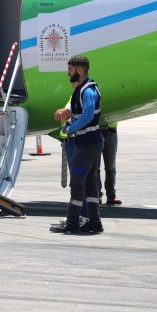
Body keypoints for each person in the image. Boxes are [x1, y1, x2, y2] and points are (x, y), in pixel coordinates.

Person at [51, 55, 105, 234]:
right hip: (89, 142)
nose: (68, 73)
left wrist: (70, 128)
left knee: (77, 183)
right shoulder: (81, 89)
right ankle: (94, 222)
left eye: (70, 70)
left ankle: (73, 223)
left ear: (80, 70)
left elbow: (88, 115)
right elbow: (78, 110)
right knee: (90, 184)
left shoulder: (87, 91)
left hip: (88, 143)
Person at [99, 120, 121, 205]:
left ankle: (111, 196)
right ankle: (97, 195)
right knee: (95, 168)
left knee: (111, 166)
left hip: (111, 130)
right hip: (96, 130)